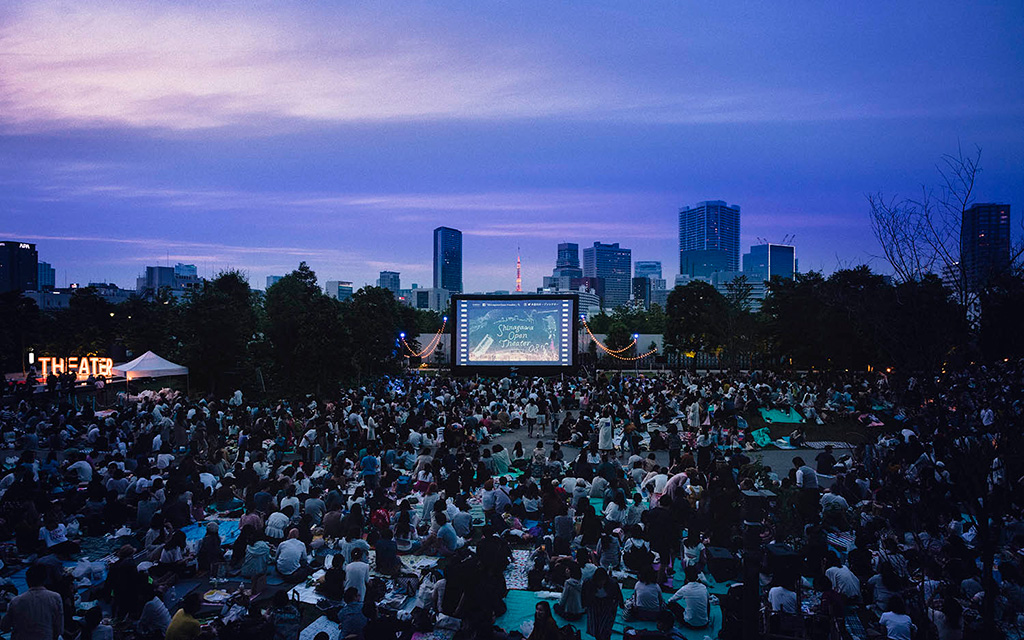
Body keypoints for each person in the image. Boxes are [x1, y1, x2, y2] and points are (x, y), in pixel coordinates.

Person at [0, 564, 63, 640]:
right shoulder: (55, 597)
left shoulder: (16, 601)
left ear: (27, 580)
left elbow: (4, 626)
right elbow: (59, 628)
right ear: (45, 579)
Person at [582, 567, 623, 640]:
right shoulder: (588, 582)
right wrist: (584, 604)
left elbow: (618, 594)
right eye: (599, 581)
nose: (601, 583)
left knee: (605, 625)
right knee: (594, 625)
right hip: (594, 602)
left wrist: (621, 604)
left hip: (607, 603)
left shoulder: (612, 583)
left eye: (602, 581)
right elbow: (584, 594)